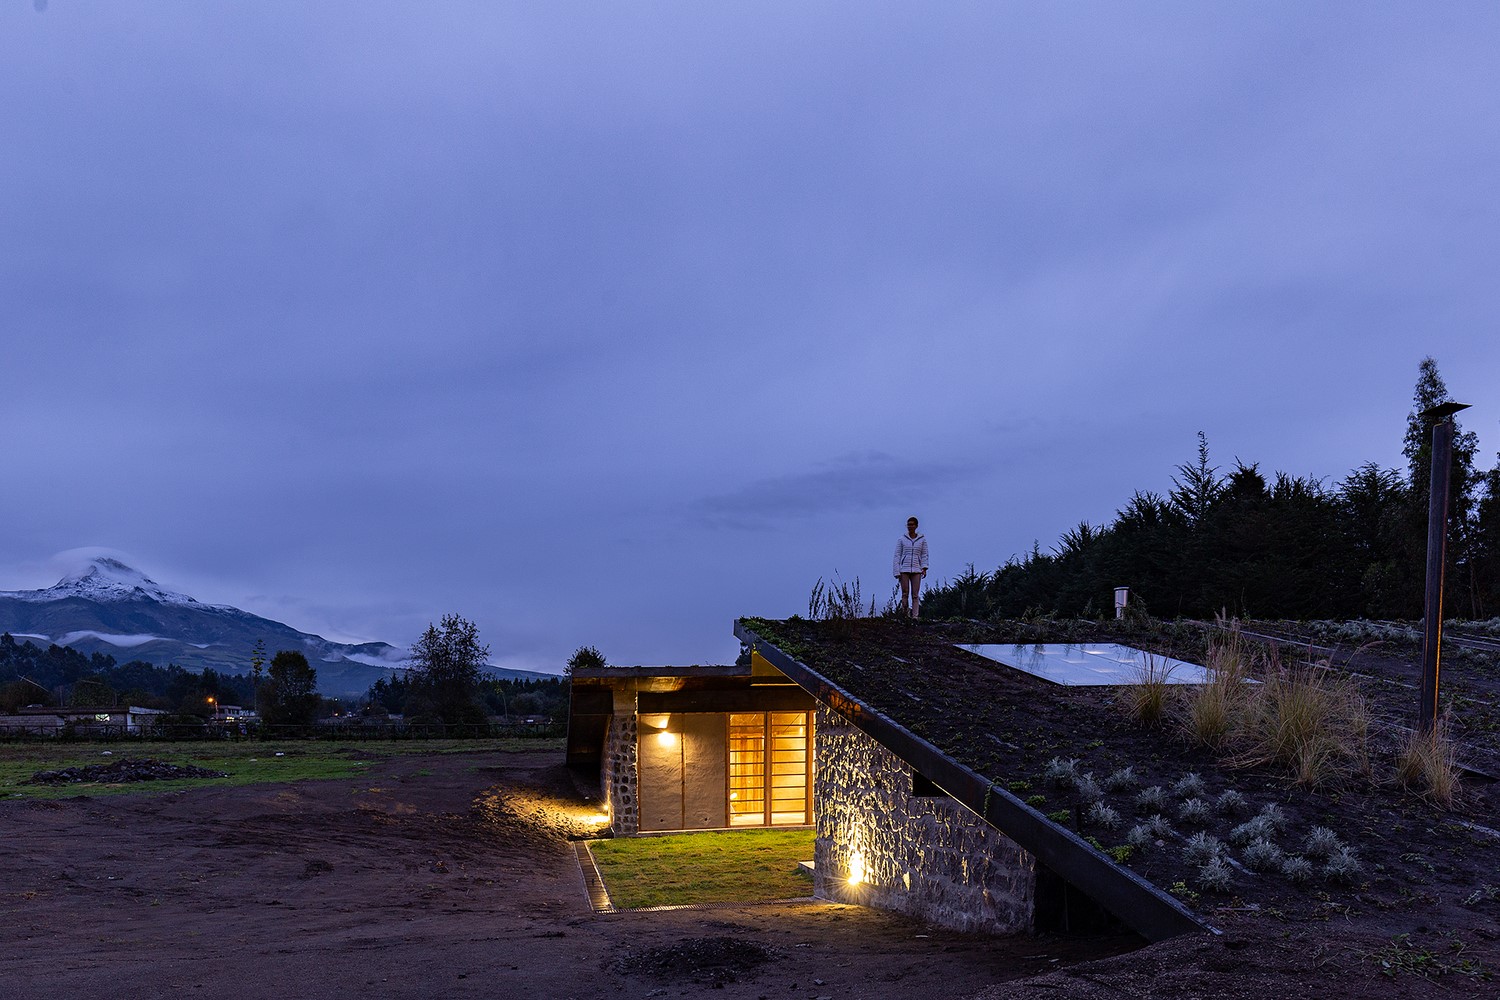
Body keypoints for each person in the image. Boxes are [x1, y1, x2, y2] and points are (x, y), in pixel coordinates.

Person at [893, 516, 928, 618]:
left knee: (915, 595)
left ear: (916, 526)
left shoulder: (922, 540)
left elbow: (924, 554)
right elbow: (897, 555)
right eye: (908, 524)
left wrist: (924, 568)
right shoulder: (901, 539)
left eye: (912, 524)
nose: (910, 526)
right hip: (904, 570)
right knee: (905, 593)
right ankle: (905, 616)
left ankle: (915, 616)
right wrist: (897, 571)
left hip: (917, 570)